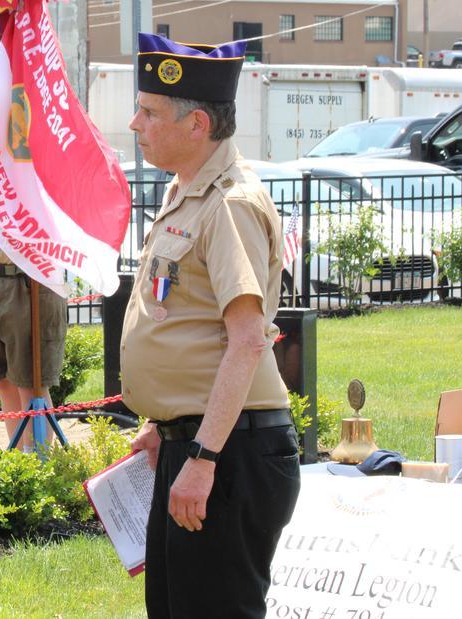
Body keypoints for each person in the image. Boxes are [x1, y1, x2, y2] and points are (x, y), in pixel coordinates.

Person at [120, 33, 301, 618]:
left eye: (149, 112)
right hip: (199, 440)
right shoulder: (189, 193)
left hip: (229, 452)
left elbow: (248, 339)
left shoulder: (229, 203)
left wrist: (201, 457)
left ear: (197, 124)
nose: (134, 124)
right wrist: (168, 427)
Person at [0, 64, 68, 451]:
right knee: (3, 379)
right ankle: (18, 461)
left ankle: (41, 464)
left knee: (31, 383)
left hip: (30, 277)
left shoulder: (29, 150)